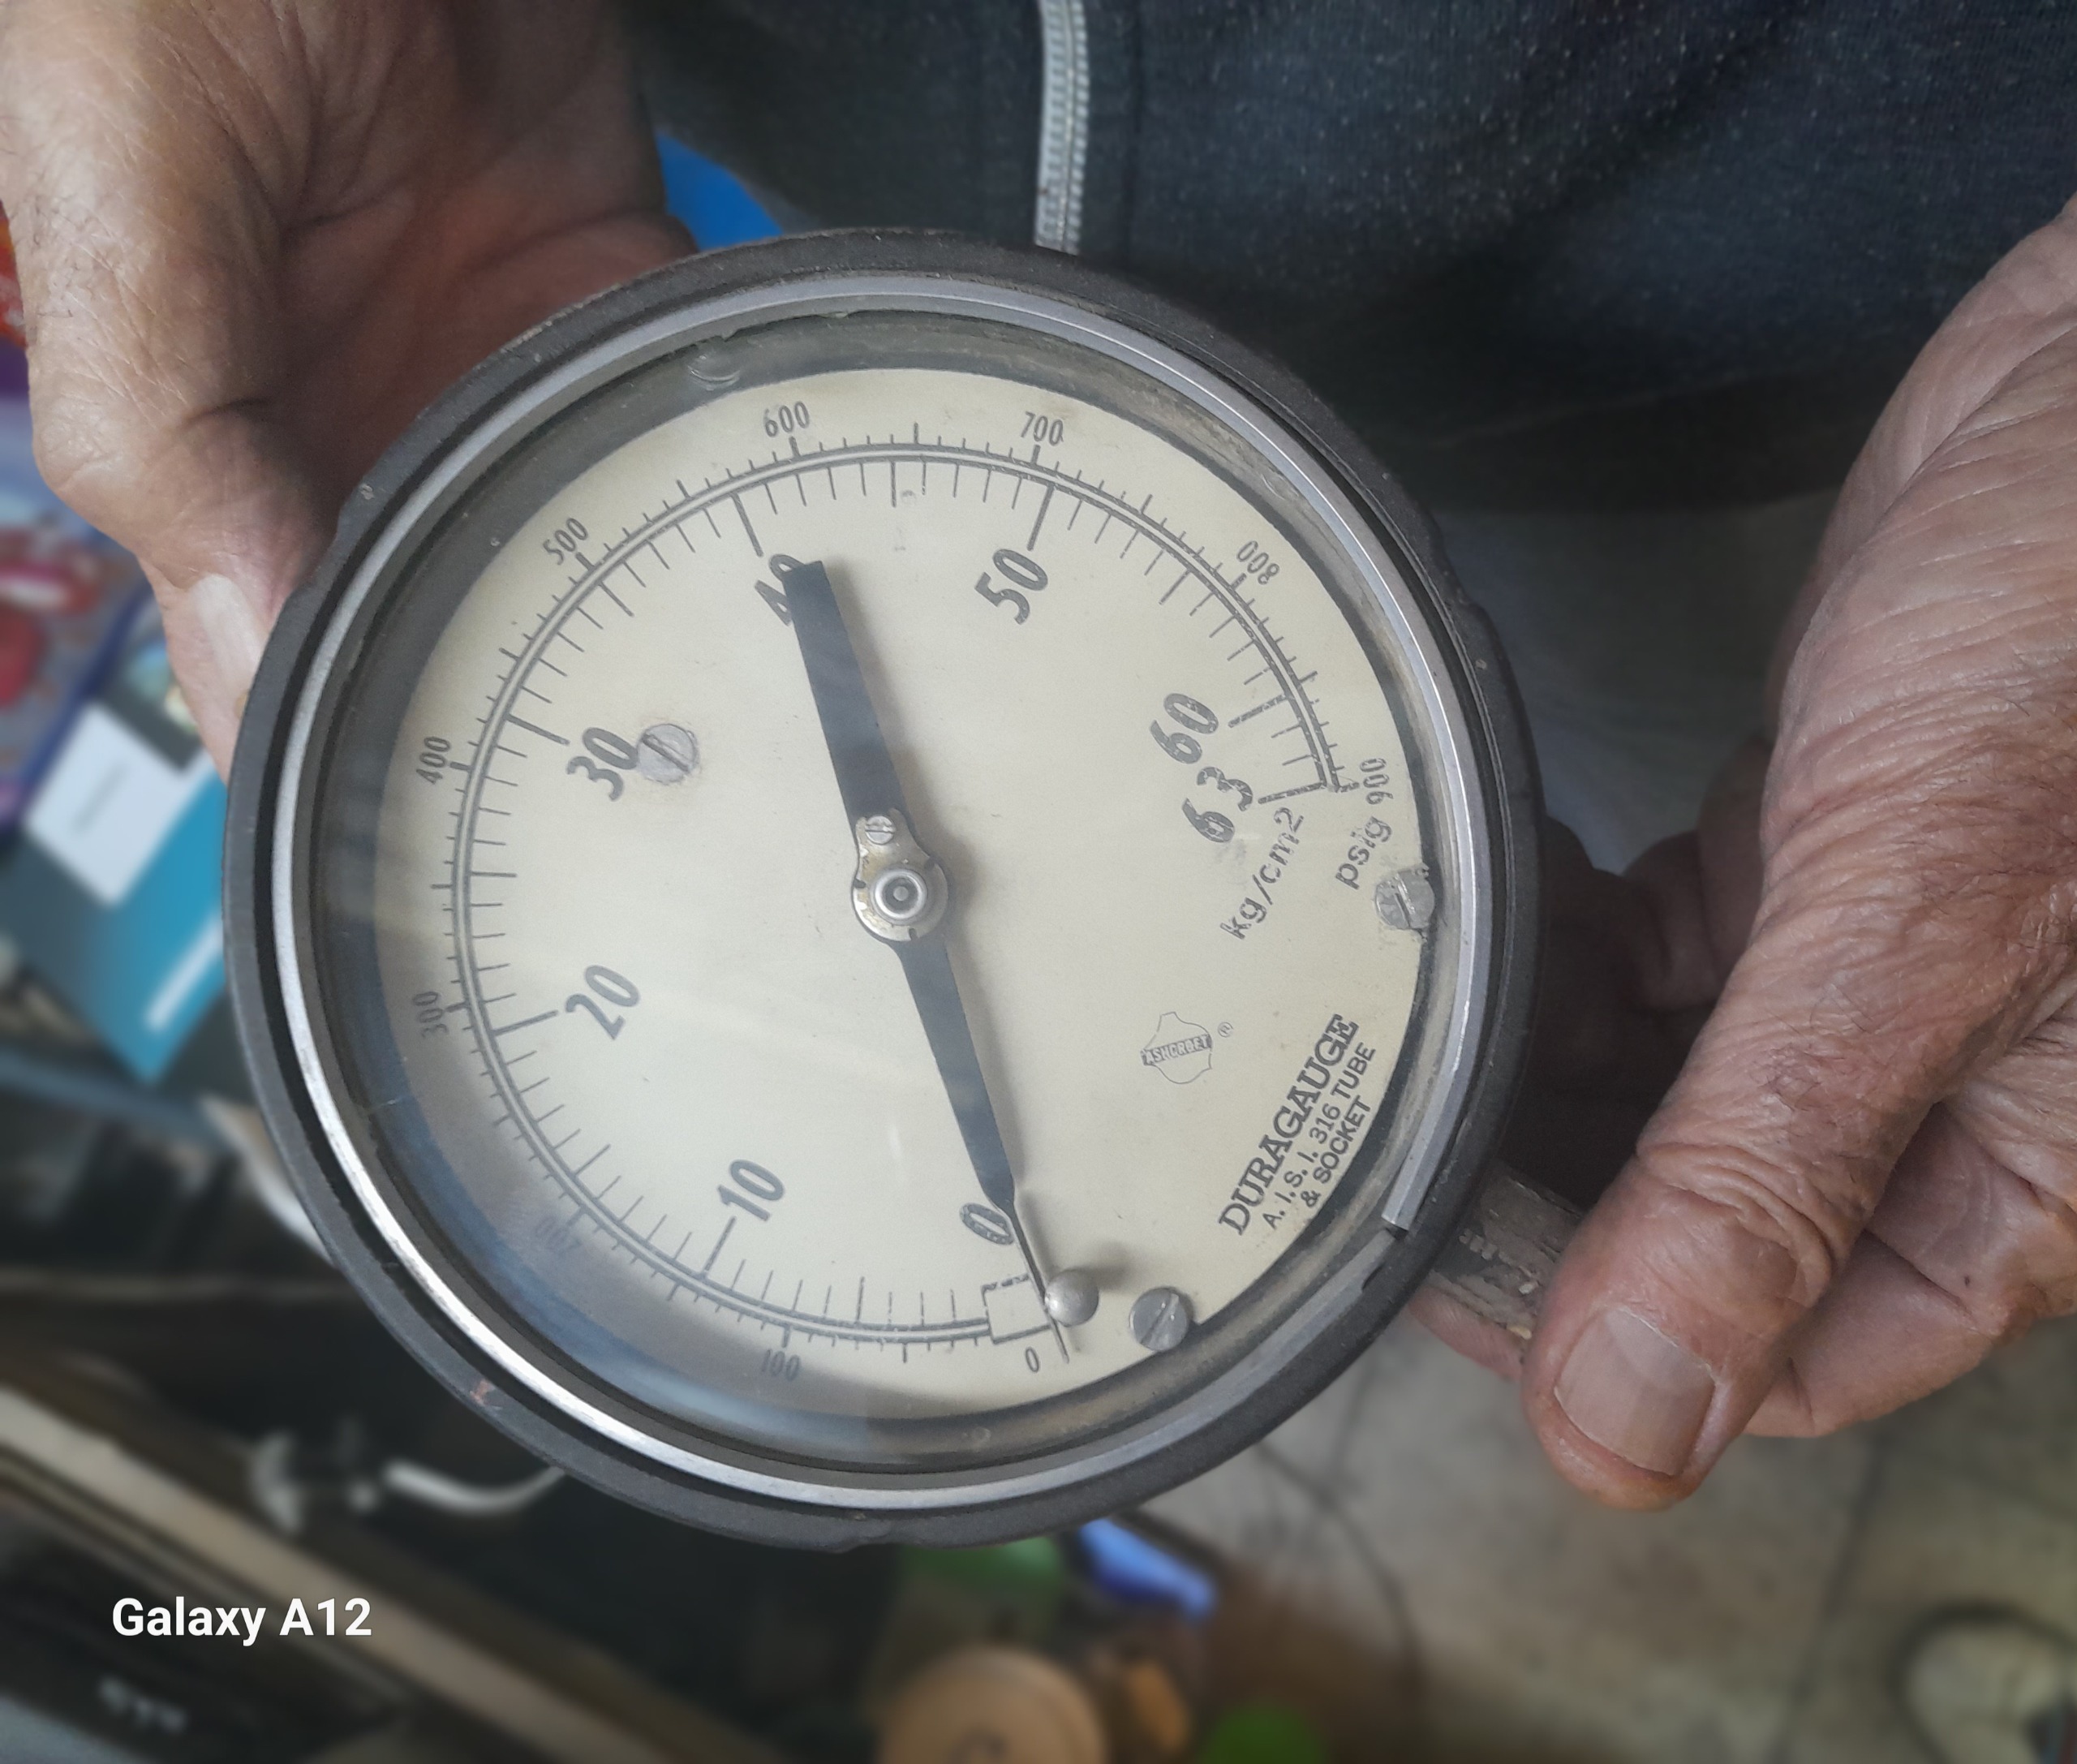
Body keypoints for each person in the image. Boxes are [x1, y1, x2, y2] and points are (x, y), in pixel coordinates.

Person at [2, 0, 2074, 1518]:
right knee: (1642, 922)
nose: (894, 882)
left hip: (1845, 279)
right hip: (910, 270)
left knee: (1774, 875)